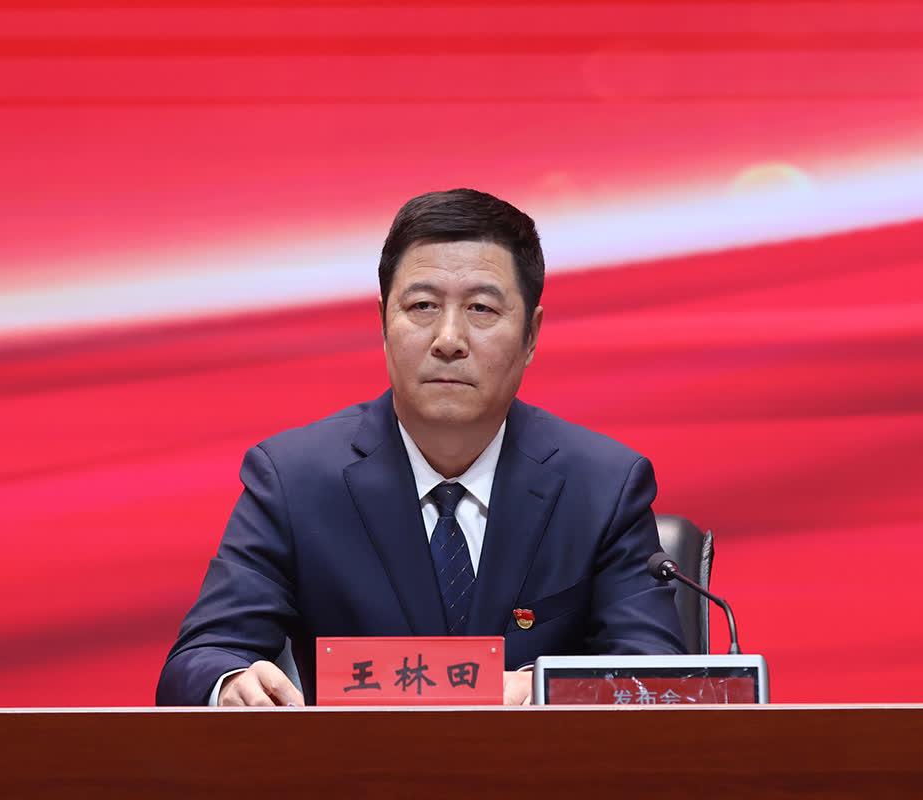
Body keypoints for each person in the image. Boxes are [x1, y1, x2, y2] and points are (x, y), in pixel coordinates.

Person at [155, 188, 684, 707]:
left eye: (481, 308)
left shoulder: (603, 486)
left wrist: (548, 689)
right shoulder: (295, 479)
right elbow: (199, 659)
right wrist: (229, 684)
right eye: (423, 306)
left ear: (531, 335)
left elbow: (658, 676)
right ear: (383, 322)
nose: (448, 339)